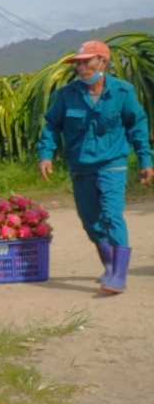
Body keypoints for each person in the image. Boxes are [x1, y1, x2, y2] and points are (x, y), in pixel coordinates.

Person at [37, 40, 153, 294]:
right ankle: (110, 266)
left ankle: (119, 276)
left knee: (112, 215)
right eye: (78, 63)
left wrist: (145, 159)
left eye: (87, 62)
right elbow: (51, 126)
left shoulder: (123, 92)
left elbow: (137, 126)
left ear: (103, 62)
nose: (81, 67)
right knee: (90, 220)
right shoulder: (67, 95)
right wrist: (45, 155)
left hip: (112, 164)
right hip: (81, 166)